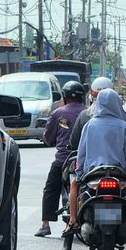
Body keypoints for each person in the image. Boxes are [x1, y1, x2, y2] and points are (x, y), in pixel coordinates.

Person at [60, 88, 126, 250]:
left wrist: (80, 174)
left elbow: (82, 152)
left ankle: (71, 222)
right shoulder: (122, 125)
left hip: (92, 174)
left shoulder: (89, 125)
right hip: (120, 173)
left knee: (74, 185)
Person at [35, 81, 87, 238]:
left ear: (64, 97)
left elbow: (48, 138)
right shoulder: (89, 112)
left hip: (63, 160)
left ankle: (45, 224)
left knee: (51, 189)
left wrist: (51, 141)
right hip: (86, 160)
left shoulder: (58, 113)